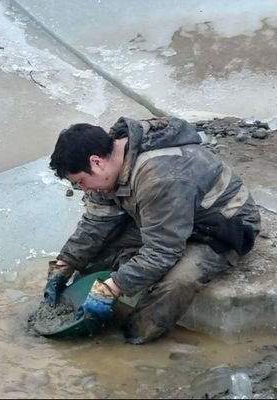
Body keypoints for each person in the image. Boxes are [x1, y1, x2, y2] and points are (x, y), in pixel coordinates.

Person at [43, 116, 261, 345]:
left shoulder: (159, 176)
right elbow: (96, 224)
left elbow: (163, 250)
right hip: (169, 215)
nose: (82, 189)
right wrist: (64, 265)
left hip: (221, 224)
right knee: (98, 254)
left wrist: (114, 286)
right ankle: (86, 312)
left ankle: (133, 337)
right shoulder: (111, 164)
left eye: (80, 182)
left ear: (96, 162)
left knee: (178, 282)